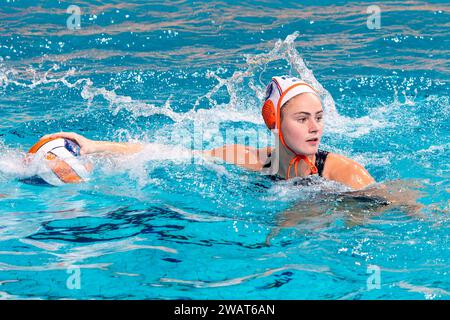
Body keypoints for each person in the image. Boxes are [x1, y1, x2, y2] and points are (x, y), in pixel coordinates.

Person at [38, 76, 375, 191]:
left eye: (318, 117)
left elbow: (394, 202)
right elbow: (164, 154)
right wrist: (94, 146)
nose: (315, 127)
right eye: (302, 118)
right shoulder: (248, 159)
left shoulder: (343, 172)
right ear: (273, 120)